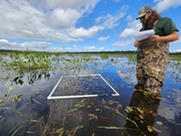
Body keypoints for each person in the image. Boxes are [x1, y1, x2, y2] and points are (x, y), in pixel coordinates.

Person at [134, 6, 179, 96]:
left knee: (151, 93)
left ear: (150, 13)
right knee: (139, 88)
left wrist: (160, 39)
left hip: (155, 67)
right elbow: (137, 43)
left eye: (143, 17)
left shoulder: (164, 21)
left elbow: (175, 36)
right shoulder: (143, 30)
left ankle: (149, 110)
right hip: (142, 66)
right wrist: (136, 43)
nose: (142, 20)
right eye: (140, 18)